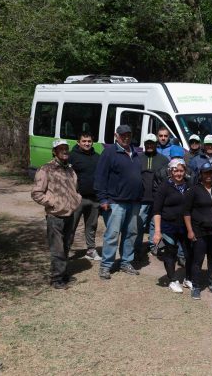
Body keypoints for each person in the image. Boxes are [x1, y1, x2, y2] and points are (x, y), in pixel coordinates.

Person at [31, 139, 82, 289]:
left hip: (69, 214)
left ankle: (64, 275)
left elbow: (75, 188)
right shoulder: (46, 169)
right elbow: (36, 193)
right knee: (57, 249)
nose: (64, 151)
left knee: (66, 246)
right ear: (54, 151)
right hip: (55, 216)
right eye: (60, 149)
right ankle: (56, 279)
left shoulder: (70, 169)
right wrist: (52, 202)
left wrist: (76, 200)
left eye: (66, 148)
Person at [94, 124, 143, 280]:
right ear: (116, 136)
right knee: (112, 235)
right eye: (123, 135)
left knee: (131, 233)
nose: (126, 138)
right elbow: (100, 177)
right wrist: (102, 199)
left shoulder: (134, 152)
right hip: (115, 202)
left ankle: (126, 262)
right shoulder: (109, 152)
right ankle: (106, 266)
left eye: (128, 135)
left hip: (134, 202)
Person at [184, 162, 212, 297]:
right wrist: (190, 230)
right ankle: (196, 286)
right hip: (200, 230)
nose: (209, 175)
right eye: (206, 173)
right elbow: (186, 212)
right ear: (201, 174)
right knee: (197, 259)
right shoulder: (194, 190)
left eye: (211, 172)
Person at [153, 159, 192, 295]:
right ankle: (172, 280)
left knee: (189, 253)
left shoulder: (189, 185)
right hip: (169, 226)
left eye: (181, 170)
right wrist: (157, 231)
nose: (179, 173)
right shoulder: (164, 187)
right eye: (176, 170)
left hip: (186, 226)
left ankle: (188, 278)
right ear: (170, 171)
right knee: (171, 253)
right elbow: (157, 210)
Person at [68, 132, 101, 261]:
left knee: (91, 226)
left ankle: (91, 250)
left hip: (94, 199)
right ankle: (65, 250)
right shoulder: (72, 156)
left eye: (89, 141)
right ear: (78, 142)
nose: (87, 143)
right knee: (71, 226)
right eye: (84, 141)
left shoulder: (97, 157)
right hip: (77, 199)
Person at [137, 133, 168, 257]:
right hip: (141, 198)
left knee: (154, 224)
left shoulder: (164, 159)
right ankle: (137, 247)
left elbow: (166, 179)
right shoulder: (137, 157)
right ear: (144, 144)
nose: (149, 145)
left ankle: (153, 246)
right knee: (140, 223)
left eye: (152, 143)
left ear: (156, 144)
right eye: (147, 143)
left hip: (157, 198)